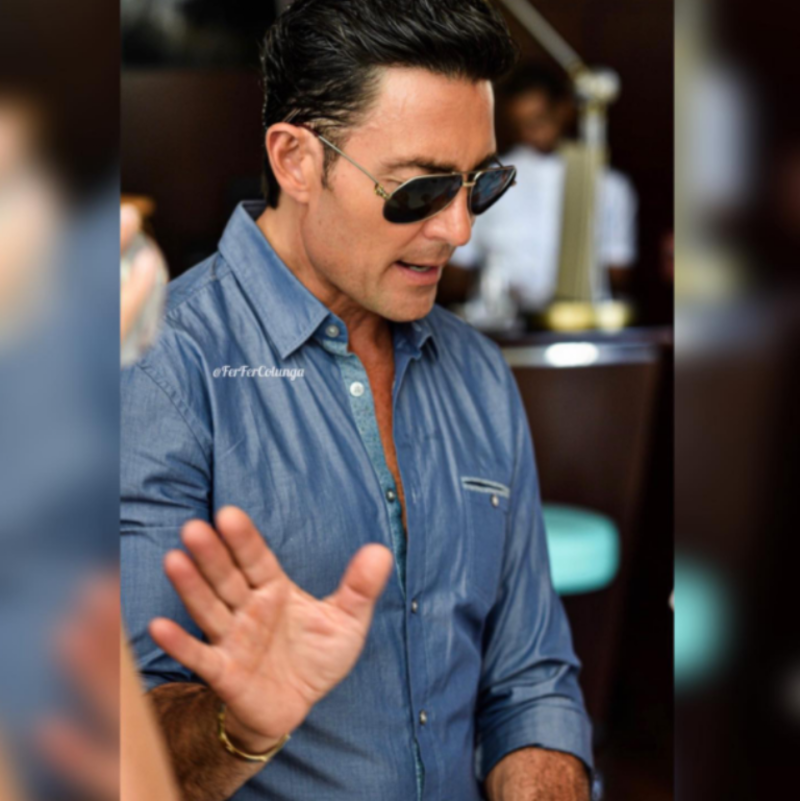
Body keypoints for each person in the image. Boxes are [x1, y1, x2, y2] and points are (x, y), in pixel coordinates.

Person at [121, 2, 593, 800]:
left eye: (480, 185)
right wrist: (241, 723)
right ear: (296, 160)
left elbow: (530, 684)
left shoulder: (477, 371)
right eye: (420, 189)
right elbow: (121, 744)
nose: (458, 230)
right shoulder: (161, 368)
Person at [448, 61, 638, 312]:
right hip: (504, 317)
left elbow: (618, 269)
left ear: (564, 109)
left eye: (539, 120)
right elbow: (460, 265)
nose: (531, 132)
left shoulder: (609, 185)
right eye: (522, 124)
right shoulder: (490, 179)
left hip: (581, 316)